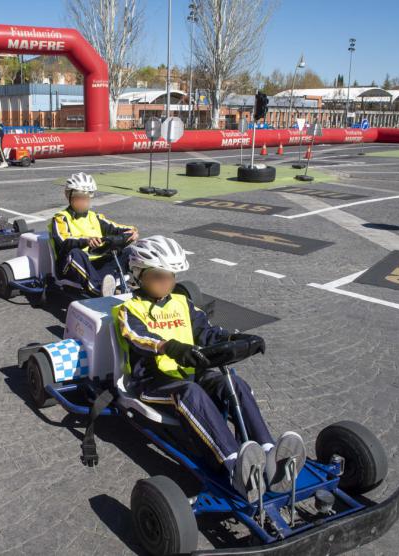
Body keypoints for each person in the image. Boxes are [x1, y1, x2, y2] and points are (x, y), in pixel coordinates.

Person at [114, 236, 306, 503]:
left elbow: (206, 331)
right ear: (139, 275)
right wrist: (171, 347)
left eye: (170, 276)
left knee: (233, 384)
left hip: (192, 374)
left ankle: (270, 453)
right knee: (191, 393)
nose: (166, 282)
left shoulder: (181, 303)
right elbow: (139, 337)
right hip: (151, 384)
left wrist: (235, 340)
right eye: (158, 277)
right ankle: (234, 463)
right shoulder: (129, 310)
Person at [50, 172, 138, 297]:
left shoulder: (95, 217)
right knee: (76, 253)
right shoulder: (61, 218)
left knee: (129, 252)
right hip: (70, 266)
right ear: (68, 195)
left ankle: (137, 283)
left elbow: (116, 227)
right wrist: (86, 240)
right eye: (78, 197)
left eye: (86, 198)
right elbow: (64, 240)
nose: (83, 201)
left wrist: (131, 231)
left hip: (95, 264)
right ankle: (98, 290)